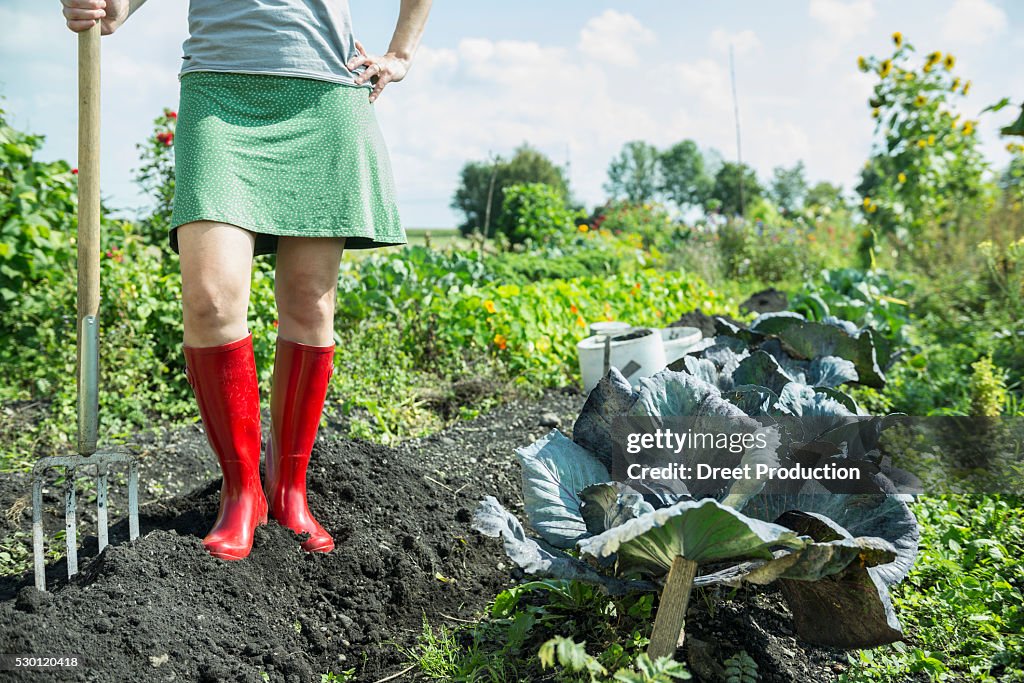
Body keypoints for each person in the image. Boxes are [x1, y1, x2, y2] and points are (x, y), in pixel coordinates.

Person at [62, 0, 433, 560]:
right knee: (210, 298)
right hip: (219, 95)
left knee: (310, 303)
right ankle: (242, 493)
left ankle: (289, 493)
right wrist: (113, 5)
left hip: (325, 95)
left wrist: (401, 54)